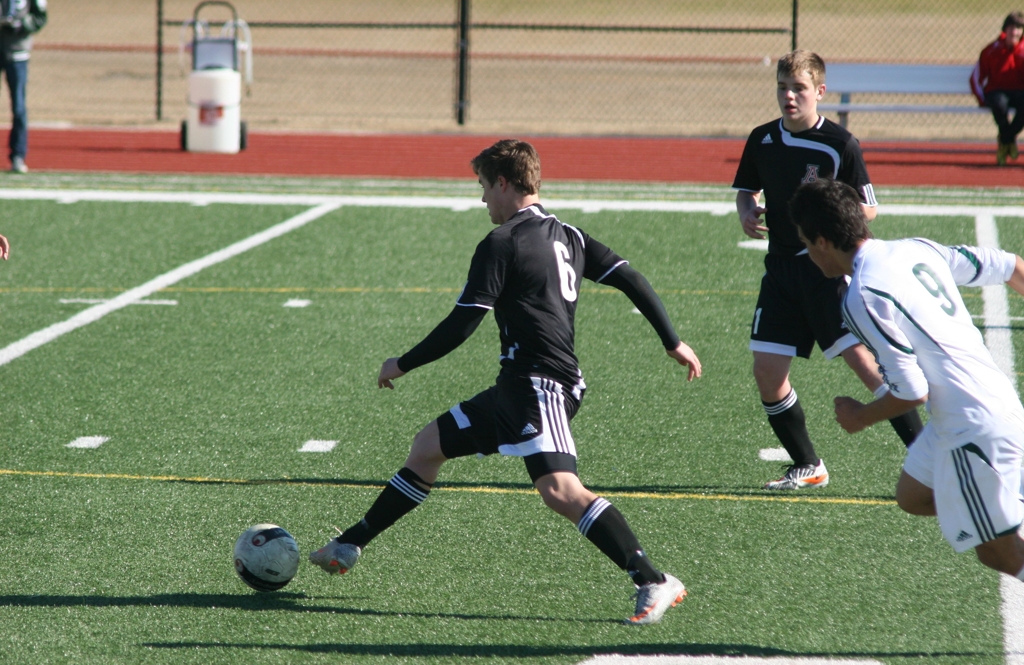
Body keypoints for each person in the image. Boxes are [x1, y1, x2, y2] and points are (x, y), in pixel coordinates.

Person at [309, 139, 703, 625]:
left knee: (560, 490)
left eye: (482, 186)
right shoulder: (571, 235)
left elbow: (462, 324)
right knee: (427, 447)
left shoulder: (503, 241)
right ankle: (349, 544)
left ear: (502, 182)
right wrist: (671, 340)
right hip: (516, 386)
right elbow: (631, 278)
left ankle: (652, 578)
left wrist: (403, 363)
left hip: (541, 385)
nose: (481, 199)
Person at [789, 177, 1024, 579]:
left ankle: (1003, 500)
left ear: (823, 242)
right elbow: (1010, 266)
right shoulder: (916, 248)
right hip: (977, 408)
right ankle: (1001, 499)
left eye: (807, 245)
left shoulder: (862, 295)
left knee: (1000, 555)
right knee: (912, 495)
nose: (809, 255)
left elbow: (913, 390)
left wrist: (860, 416)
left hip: (971, 426)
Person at [732, 49, 922, 491]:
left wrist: (830, 213)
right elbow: (746, 190)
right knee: (767, 372)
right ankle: (808, 464)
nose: (789, 96)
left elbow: (869, 208)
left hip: (826, 271)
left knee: (867, 367)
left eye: (799, 88)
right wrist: (746, 211)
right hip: (780, 271)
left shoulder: (840, 144)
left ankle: (928, 455)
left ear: (819, 91)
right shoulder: (762, 139)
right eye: (782, 87)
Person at [0, 0, 46, 174]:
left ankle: (18, 155)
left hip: (17, 52)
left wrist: (20, 24)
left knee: (18, 106)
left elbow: (40, 17)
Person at [970, 12, 1024, 167]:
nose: (1015, 32)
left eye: (1019, 28)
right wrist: (981, 99)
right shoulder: (991, 50)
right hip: (997, 91)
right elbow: (976, 78)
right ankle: (1008, 141)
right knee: (998, 104)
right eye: (1012, 28)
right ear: (1005, 30)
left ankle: (1005, 140)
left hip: (1019, 92)